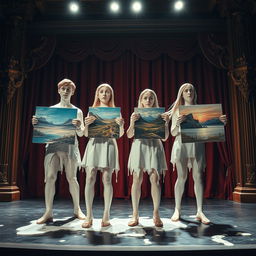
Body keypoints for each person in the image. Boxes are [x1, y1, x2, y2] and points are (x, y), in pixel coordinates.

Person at [168, 83, 227, 224]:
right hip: (181, 145)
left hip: (197, 145)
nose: (189, 92)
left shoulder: (202, 110)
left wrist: (220, 124)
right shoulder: (177, 110)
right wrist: (177, 123)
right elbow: (173, 133)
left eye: (191, 90)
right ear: (181, 94)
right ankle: (177, 209)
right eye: (186, 90)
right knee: (181, 177)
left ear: (194, 93)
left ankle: (200, 211)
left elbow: (206, 130)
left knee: (198, 176)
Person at [32, 78, 86, 224]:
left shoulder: (77, 111)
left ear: (73, 91)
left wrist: (79, 125)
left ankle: (77, 209)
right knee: (49, 177)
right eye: (63, 88)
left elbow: (81, 134)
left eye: (69, 89)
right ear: (58, 90)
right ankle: (48, 211)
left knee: (72, 178)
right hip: (53, 147)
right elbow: (43, 131)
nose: (66, 91)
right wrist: (37, 124)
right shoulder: (51, 110)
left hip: (69, 147)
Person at [81, 83, 124, 228]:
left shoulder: (115, 112)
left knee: (107, 179)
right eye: (102, 92)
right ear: (97, 94)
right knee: (90, 177)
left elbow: (120, 135)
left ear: (111, 95)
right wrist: (86, 124)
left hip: (109, 145)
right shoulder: (92, 112)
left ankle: (106, 214)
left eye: (107, 92)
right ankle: (89, 215)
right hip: (94, 145)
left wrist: (121, 125)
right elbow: (85, 134)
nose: (104, 94)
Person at [127, 89, 170, 227]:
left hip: (154, 146)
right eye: (145, 98)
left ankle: (156, 213)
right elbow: (128, 135)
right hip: (140, 146)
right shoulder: (136, 114)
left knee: (155, 178)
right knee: (137, 178)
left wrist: (166, 123)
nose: (148, 101)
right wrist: (132, 122)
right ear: (141, 100)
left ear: (154, 100)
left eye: (151, 98)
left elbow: (165, 138)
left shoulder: (160, 115)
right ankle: (135, 214)